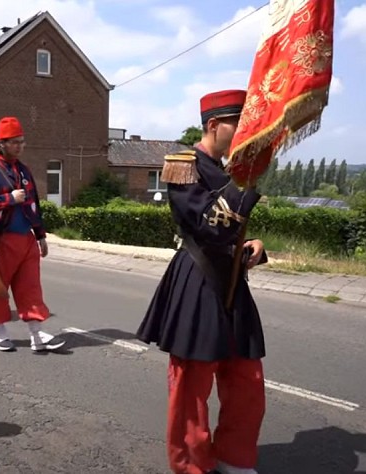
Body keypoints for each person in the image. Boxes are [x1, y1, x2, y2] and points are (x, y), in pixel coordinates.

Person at [136, 90, 268, 474]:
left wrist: (254, 245)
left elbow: (233, 231)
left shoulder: (227, 170)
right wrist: (246, 181)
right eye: (239, 125)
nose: (246, 134)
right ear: (214, 125)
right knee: (192, 385)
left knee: (247, 375)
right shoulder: (182, 165)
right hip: (198, 279)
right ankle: (192, 463)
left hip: (231, 282)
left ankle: (233, 455)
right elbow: (210, 227)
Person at [0, 117, 65, 353]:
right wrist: (8, 199)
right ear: (1, 143)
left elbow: (34, 204)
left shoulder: (24, 170)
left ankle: (37, 333)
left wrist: (41, 235)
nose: (20, 147)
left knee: (30, 287)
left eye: (22, 142)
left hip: (26, 239)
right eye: (15, 142)